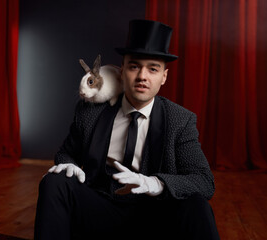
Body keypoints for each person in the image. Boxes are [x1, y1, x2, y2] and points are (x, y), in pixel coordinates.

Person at [34, 19, 220, 239]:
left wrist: (156, 183)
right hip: (100, 209)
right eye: (134, 66)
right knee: (54, 181)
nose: (142, 76)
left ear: (164, 77)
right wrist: (69, 165)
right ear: (121, 71)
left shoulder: (180, 120)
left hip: (154, 217)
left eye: (153, 69)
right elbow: (66, 153)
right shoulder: (90, 112)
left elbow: (204, 181)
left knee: (197, 204)